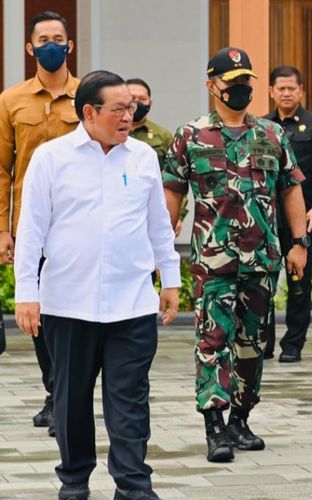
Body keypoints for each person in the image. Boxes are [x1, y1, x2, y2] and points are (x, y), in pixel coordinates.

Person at [13, 69, 180, 500]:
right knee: (70, 400)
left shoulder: (142, 157)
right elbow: (30, 231)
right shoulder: (51, 159)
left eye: (133, 108)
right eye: (120, 108)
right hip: (68, 304)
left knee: (129, 400)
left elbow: (159, 224)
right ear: (90, 112)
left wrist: (171, 278)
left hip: (132, 304)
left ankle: (133, 486)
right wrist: (26, 294)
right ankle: (74, 481)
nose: (130, 115)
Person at [162, 47, 308, 463]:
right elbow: (172, 191)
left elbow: (292, 187)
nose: (242, 89)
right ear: (212, 87)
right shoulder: (190, 135)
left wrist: (300, 243)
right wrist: (160, 246)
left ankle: (241, 419)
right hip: (213, 260)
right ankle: (214, 424)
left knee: (253, 342)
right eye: (233, 83)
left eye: (246, 82)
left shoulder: (271, 134)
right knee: (213, 340)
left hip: (262, 259)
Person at [0, 10, 80, 438]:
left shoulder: (88, 95)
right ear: (30, 48)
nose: (51, 44)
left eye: (58, 38)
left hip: (78, 225)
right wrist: (3, 229)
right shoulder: (10, 101)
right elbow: (2, 170)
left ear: (69, 45)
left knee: (70, 312)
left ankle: (66, 394)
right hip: (33, 227)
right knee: (37, 313)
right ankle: (56, 391)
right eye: (42, 38)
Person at [265, 66, 312, 362]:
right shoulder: (262, 127)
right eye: (281, 88)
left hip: (303, 219)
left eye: (292, 88)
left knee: (298, 284)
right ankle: (262, 343)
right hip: (266, 219)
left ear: (301, 90)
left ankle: (293, 345)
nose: (287, 93)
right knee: (262, 282)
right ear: (271, 92)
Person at [126, 78, 187, 235]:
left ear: (150, 102)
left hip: (152, 208)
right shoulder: (113, 132)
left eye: (142, 99)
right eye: (132, 99)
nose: (137, 103)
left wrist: (178, 215)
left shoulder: (162, 135)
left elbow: (176, 177)